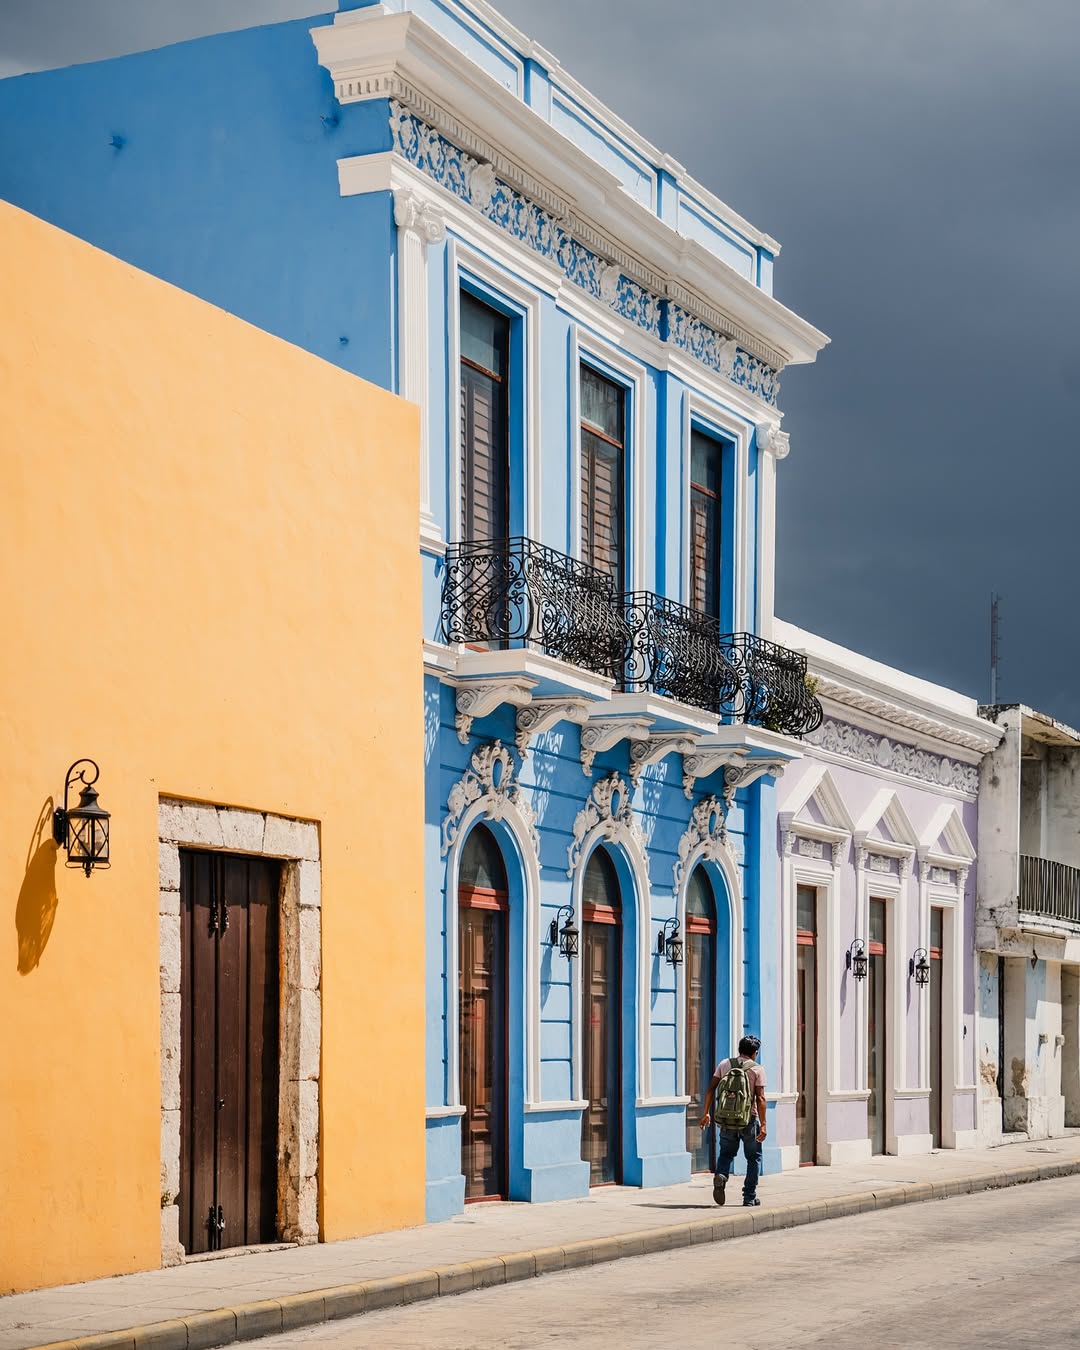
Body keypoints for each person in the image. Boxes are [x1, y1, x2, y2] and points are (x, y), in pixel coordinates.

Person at [698, 1034, 767, 1207]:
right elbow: (760, 1099)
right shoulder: (757, 1069)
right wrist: (763, 1125)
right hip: (748, 1119)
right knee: (754, 1157)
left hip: (726, 1119)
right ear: (755, 1053)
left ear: (739, 1049)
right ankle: (749, 1196)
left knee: (726, 1153)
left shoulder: (724, 1064)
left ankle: (721, 1175)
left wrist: (706, 1113)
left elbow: (711, 1089)